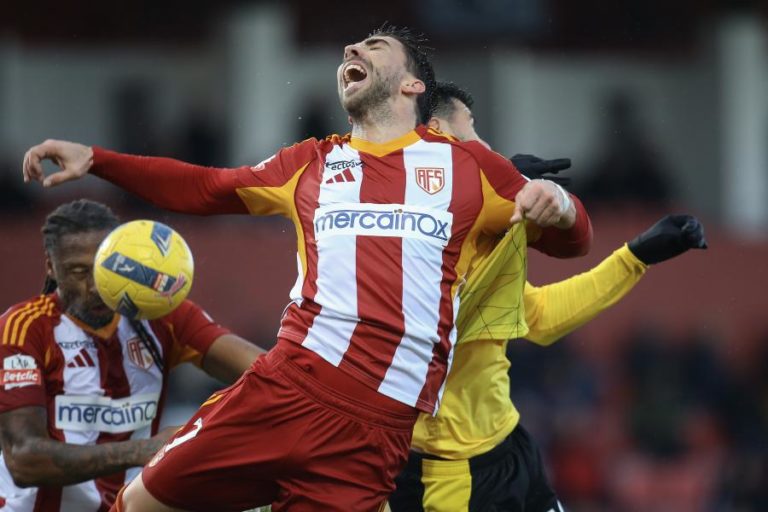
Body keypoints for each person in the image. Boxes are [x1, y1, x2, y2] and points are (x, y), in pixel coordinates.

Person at [22, 26, 593, 511]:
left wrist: (561, 205)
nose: (352, 49)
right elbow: (205, 187)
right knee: (139, 504)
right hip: (289, 388)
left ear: (413, 83)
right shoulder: (312, 162)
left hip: (376, 434)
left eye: (374, 46)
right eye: (351, 47)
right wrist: (97, 160)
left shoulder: (470, 168)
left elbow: (573, 242)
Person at [387, 82, 708, 511]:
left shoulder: (483, 229)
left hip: (508, 448)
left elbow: (536, 316)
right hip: (445, 476)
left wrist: (634, 257)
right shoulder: (389, 240)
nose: (485, 144)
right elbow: (446, 317)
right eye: (472, 128)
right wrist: (501, 190)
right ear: (439, 132)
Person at [0, 199, 263, 511]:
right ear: (50, 266)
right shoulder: (24, 328)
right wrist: (142, 450)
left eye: (104, 269)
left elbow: (269, 373)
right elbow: (24, 460)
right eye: (78, 271)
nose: (94, 287)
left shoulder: (162, 316)